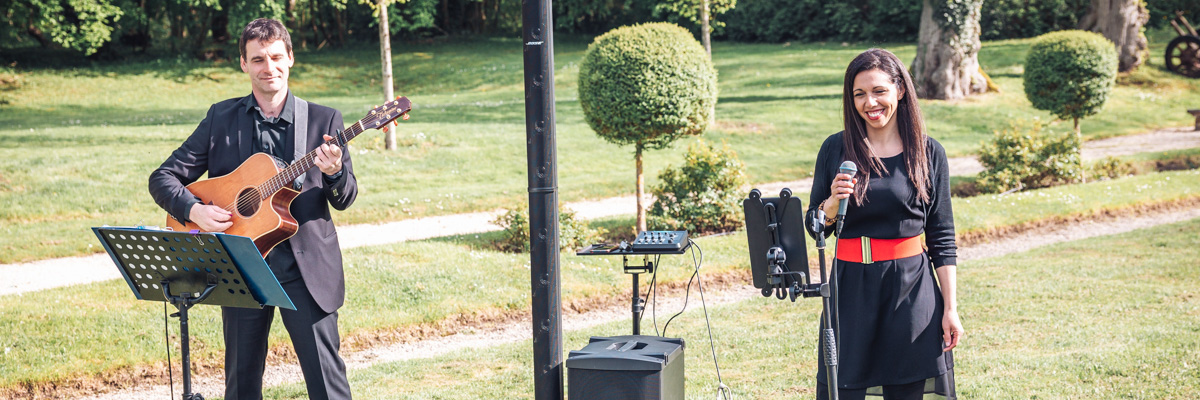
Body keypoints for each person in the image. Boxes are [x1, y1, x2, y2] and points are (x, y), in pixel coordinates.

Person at [148, 18, 355, 400]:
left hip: (306, 271)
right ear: (243, 64)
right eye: (257, 59)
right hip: (241, 268)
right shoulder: (221, 118)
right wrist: (194, 211)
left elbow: (344, 198)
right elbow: (163, 178)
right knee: (241, 387)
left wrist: (334, 171)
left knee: (328, 386)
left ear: (290, 58)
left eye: (276, 57)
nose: (269, 67)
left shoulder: (325, 120)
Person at [806, 48, 963, 400]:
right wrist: (831, 203)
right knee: (842, 387)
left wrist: (950, 308)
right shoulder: (836, 149)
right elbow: (815, 225)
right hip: (848, 287)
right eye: (859, 94)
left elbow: (942, 235)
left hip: (910, 288)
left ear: (900, 90)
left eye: (879, 91)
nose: (870, 103)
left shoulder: (928, 152)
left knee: (906, 390)